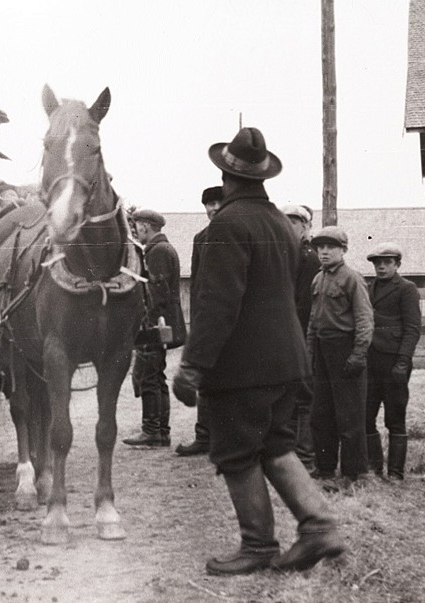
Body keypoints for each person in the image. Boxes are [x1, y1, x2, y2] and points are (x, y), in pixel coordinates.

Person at [173, 126, 344, 575]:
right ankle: (319, 525)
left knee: (236, 453)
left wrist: (192, 367)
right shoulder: (279, 224)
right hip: (286, 360)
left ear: (226, 176)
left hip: (241, 368)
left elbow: (217, 304)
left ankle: (259, 545)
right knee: (274, 444)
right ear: (262, 176)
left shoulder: (228, 224)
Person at [307, 226, 374, 489]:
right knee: (321, 412)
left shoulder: (352, 279)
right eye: (320, 247)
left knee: (349, 414)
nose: (323, 252)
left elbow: (364, 319)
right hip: (323, 351)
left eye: (330, 247)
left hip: (345, 351)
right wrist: (310, 353)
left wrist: (358, 355)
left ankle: (354, 474)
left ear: (343, 250)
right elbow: (313, 322)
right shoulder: (318, 280)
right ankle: (325, 468)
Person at [124, 208, 184, 448]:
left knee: (149, 377)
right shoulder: (163, 248)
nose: (136, 230)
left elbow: (156, 292)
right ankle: (160, 432)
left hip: (155, 325)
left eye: (137, 225)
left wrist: (147, 322)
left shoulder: (157, 251)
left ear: (146, 226)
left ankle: (152, 431)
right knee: (156, 377)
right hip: (163, 324)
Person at [364, 242, 421, 480]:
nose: (382, 267)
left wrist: (402, 361)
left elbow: (412, 328)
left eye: (387, 262)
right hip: (370, 362)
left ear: (397, 265)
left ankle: (396, 473)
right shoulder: (368, 288)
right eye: (378, 263)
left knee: (395, 418)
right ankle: (374, 470)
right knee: (366, 416)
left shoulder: (406, 289)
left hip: (394, 363)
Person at [175, 186, 223, 457]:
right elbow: (195, 283)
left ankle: (229, 438)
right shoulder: (200, 238)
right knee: (204, 378)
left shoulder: (238, 234)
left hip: (233, 319)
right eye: (209, 204)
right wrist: (197, 322)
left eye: (218, 202)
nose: (213, 208)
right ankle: (203, 437)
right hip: (207, 319)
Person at [279, 203, 320, 471]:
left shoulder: (310, 257)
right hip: (284, 335)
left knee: (303, 396)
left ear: (305, 227)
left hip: (303, 335)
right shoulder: (283, 254)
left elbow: (304, 303)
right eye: (285, 222)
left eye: (294, 222)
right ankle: (290, 453)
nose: (288, 227)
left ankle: (305, 456)